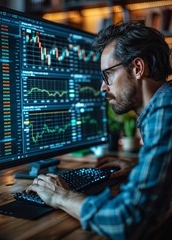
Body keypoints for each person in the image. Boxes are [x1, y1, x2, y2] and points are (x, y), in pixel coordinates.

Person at [26, 21, 172, 240]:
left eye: (108, 75)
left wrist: (61, 196)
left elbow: (127, 220)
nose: (103, 87)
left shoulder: (165, 109)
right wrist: (140, 169)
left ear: (138, 68)